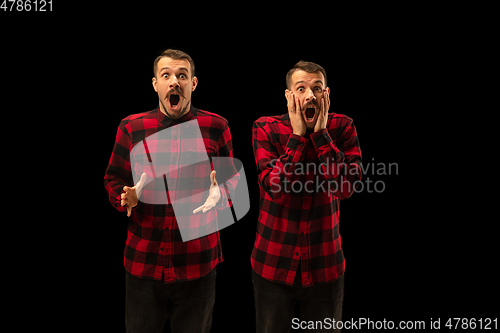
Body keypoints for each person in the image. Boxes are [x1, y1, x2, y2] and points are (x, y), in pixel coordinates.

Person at [104, 49, 234, 333]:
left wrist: (221, 195)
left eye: (182, 75)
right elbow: (113, 178)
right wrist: (125, 197)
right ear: (155, 84)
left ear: (193, 83)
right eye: (167, 75)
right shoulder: (132, 127)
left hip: (198, 266)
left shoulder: (216, 126)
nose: (174, 81)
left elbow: (230, 183)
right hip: (143, 265)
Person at [250, 61, 363, 332]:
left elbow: (346, 187)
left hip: (325, 267)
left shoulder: (343, 127)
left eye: (317, 88)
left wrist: (322, 136)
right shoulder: (265, 128)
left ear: (326, 94)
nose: (310, 95)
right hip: (273, 265)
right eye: (301, 88)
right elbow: (275, 189)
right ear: (289, 96)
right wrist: (298, 137)